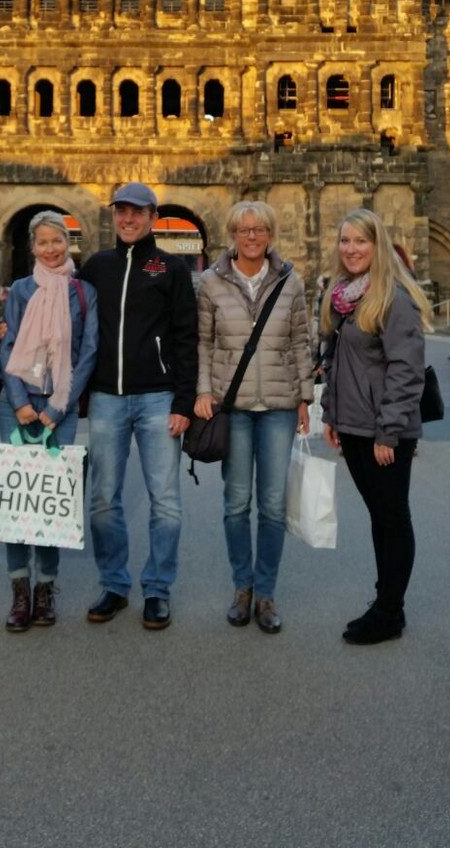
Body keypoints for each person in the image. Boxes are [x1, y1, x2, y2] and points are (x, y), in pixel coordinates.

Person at [80, 183, 197, 631]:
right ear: (114, 216)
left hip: (158, 397)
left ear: (152, 216)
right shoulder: (96, 267)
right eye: (121, 211)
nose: (128, 219)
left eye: (137, 212)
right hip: (108, 396)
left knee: (164, 500)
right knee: (103, 500)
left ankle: (157, 588)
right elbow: (74, 324)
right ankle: (113, 583)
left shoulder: (170, 267)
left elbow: (186, 337)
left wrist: (184, 400)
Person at [195, 200, 313, 634]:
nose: (251, 236)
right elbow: (204, 344)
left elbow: (302, 340)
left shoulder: (290, 281)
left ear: (270, 234)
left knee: (273, 506)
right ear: (232, 234)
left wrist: (304, 398)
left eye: (259, 229)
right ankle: (241, 586)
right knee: (236, 503)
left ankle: (265, 593)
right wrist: (204, 391)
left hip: (280, 407)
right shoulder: (210, 281)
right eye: (244, 230)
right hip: (235, 407)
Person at [321, 208, 431, 645]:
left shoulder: (393, 298)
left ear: (377, 245)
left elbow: (407, 372)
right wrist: (331, 413)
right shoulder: (345, 295)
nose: (351, 249)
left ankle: (390, 612)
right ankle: (385, 600)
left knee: (392, 516)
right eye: (345, 241)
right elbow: (333, 362)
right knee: (379, 517)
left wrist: (389, 431)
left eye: (360, 241)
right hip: (353, 425)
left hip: (384, 431)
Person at [0, 211, 98, 631]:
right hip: (17, 403)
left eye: (58, 240)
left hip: (62, 405)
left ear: (68, 242)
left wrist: (59, 408)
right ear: (32, 247)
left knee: (51, 501)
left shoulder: (83, 292)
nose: (51, 249)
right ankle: (20, 590)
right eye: (42, 242)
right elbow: (7, 346)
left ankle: (46, 589)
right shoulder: (20, 290)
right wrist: (20, 402)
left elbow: (88, 353)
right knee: (17, 500)